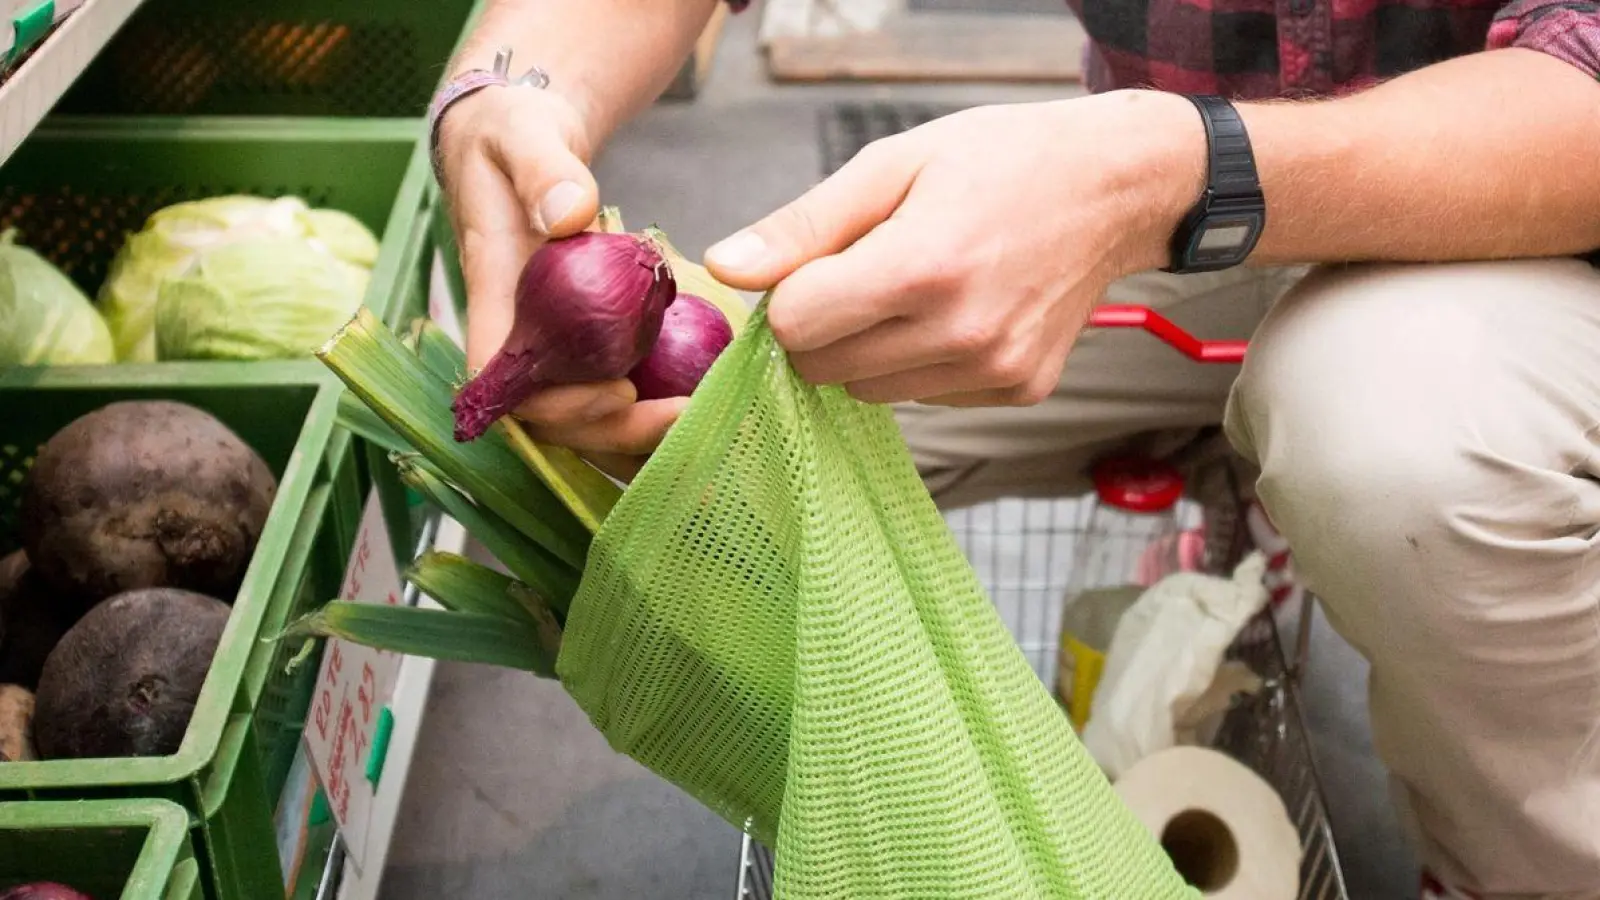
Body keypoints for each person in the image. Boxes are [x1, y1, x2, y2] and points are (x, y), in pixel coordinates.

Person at [428, 1, 1600, 897]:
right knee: (716, 424)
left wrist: (1162, 176)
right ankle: (898, 825)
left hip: (1515, 230)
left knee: (1395, 431)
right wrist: (510, 94)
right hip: (1159, 222)